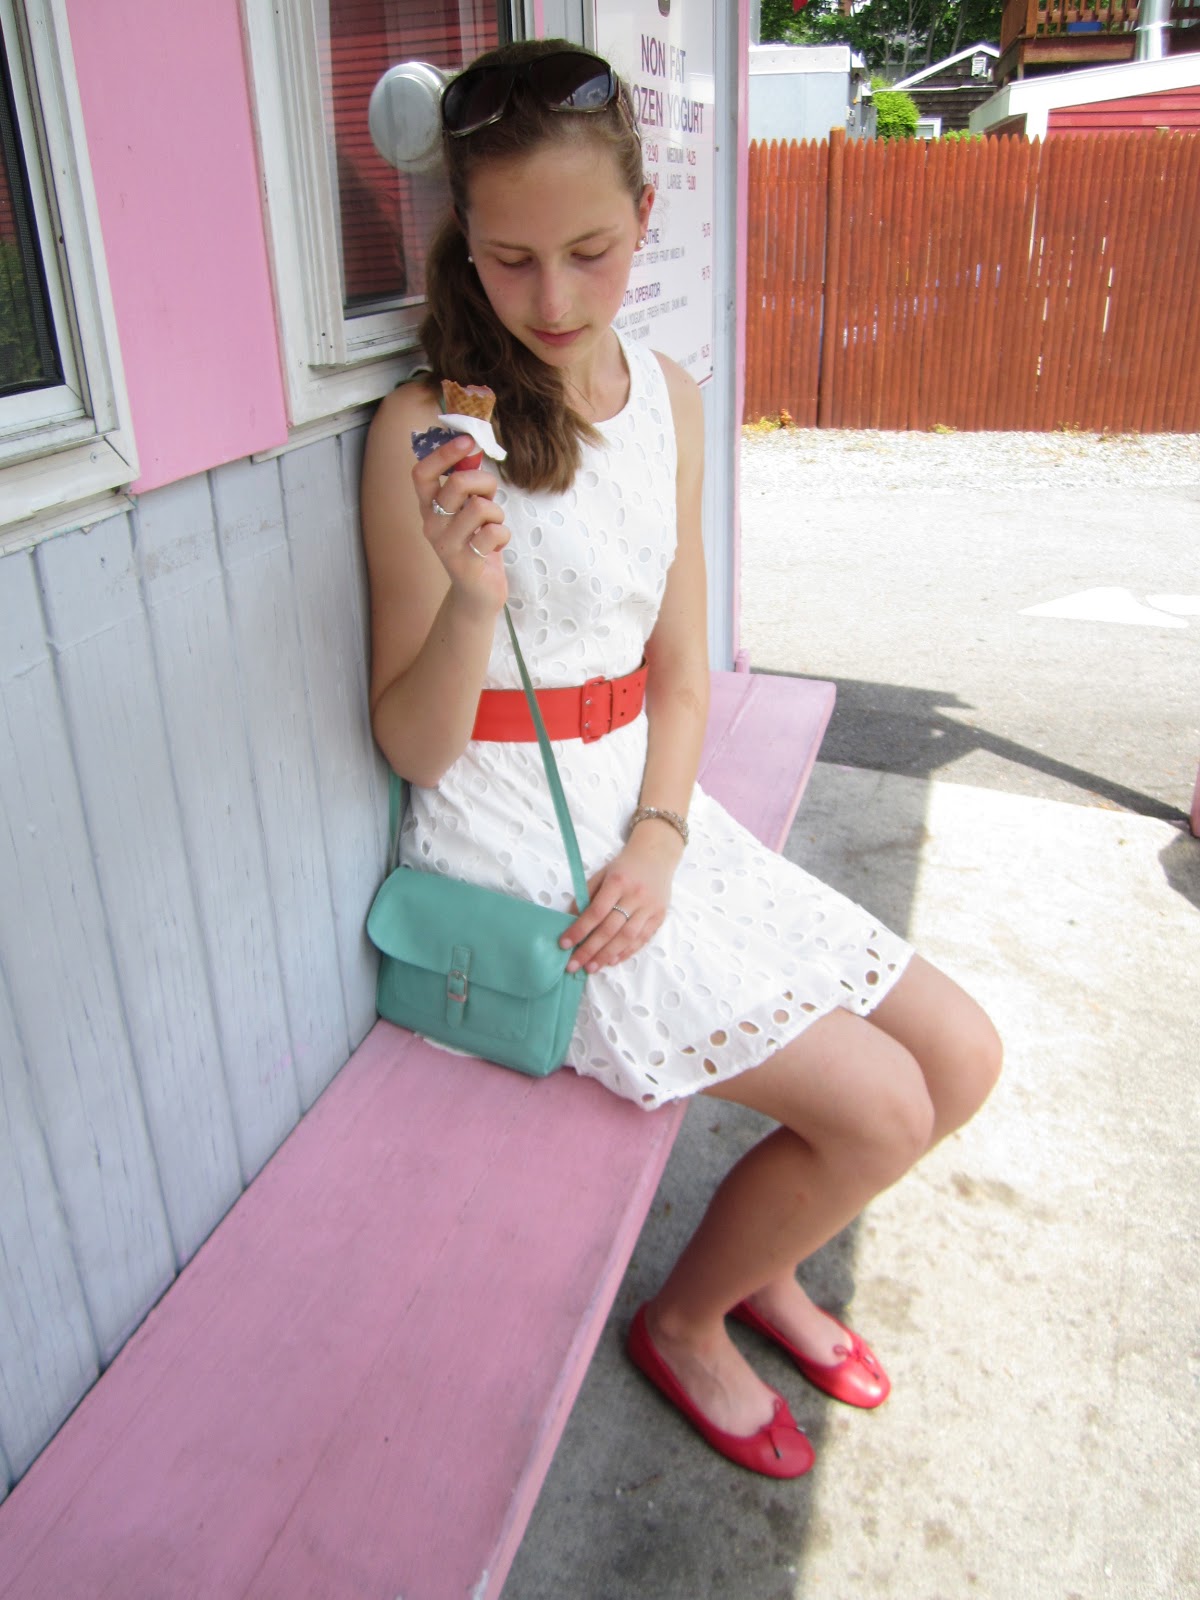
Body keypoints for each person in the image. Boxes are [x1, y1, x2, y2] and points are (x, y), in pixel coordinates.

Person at [361, 38, 1002, 1480]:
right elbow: (409, 739)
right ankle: (694, 1316)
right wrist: (473, 596)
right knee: (887, 1104)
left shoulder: (669, 394)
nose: (555, 300)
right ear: (470, 241)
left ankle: (772, 1257)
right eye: (512, 260)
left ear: (646, 215)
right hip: (514, 837)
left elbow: (679, 667)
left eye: (590, 251)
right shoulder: (429, 430)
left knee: (958, 1059)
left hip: (646, 810)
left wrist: (661, 831)